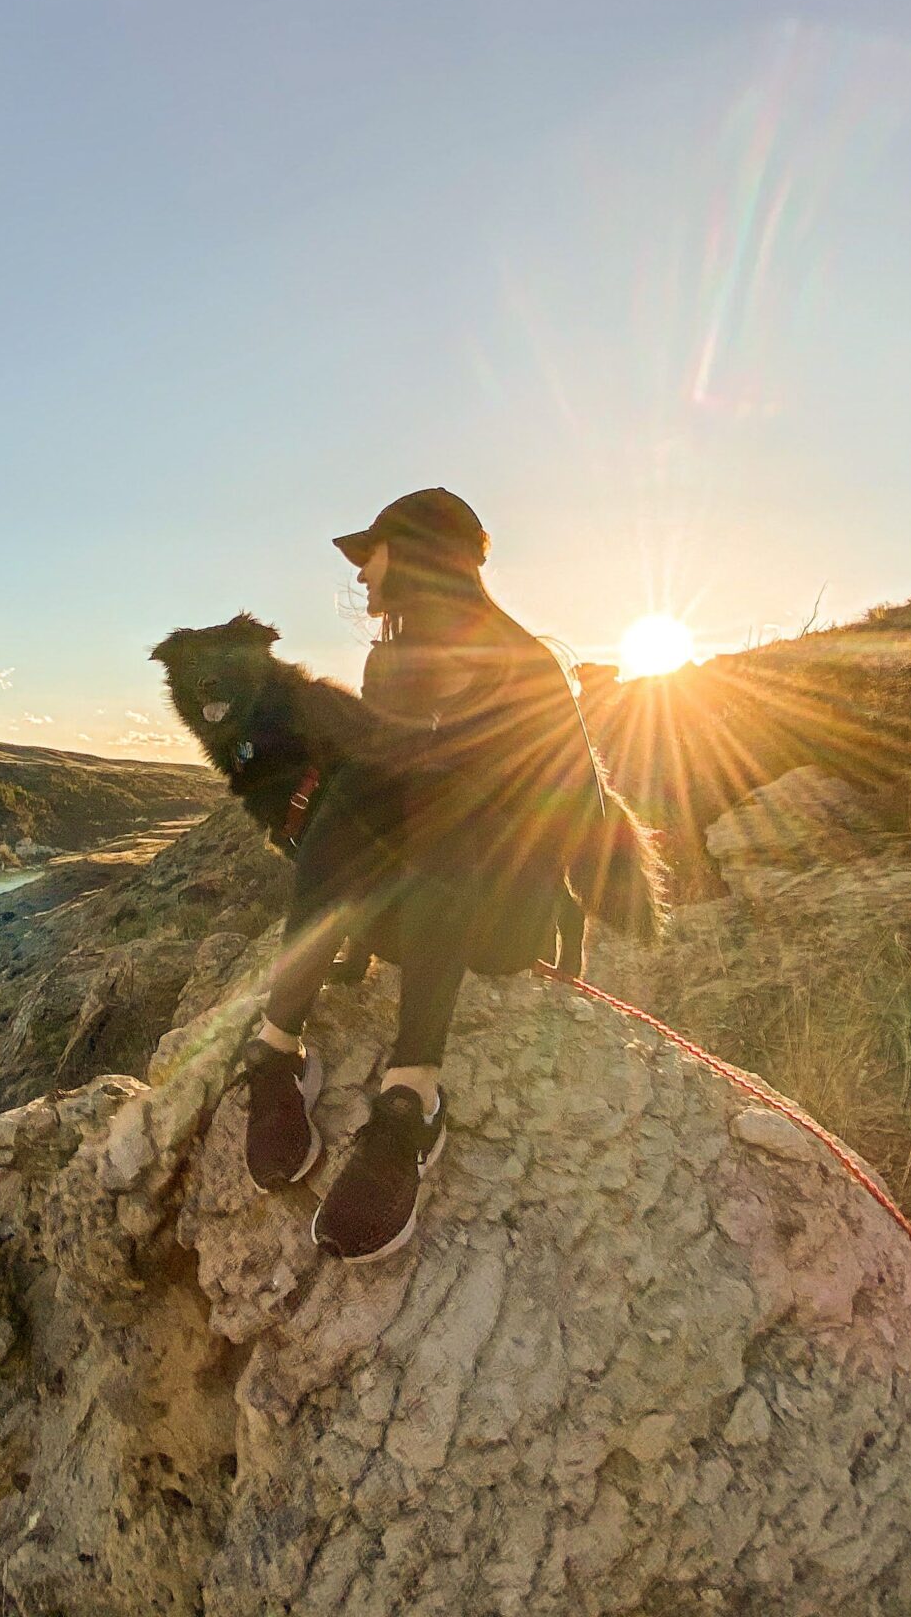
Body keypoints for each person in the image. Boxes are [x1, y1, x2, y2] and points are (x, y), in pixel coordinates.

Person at [239, 487, 606, 1262]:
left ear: (417, 557)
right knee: (342, 806)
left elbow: (583, 813)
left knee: (445, 812)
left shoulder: (527, 666)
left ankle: (412, 1102)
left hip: (496, 917)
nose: (362, 578)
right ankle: (276, 1048)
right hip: (412, 916)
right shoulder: (390, 664)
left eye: (371, 556)